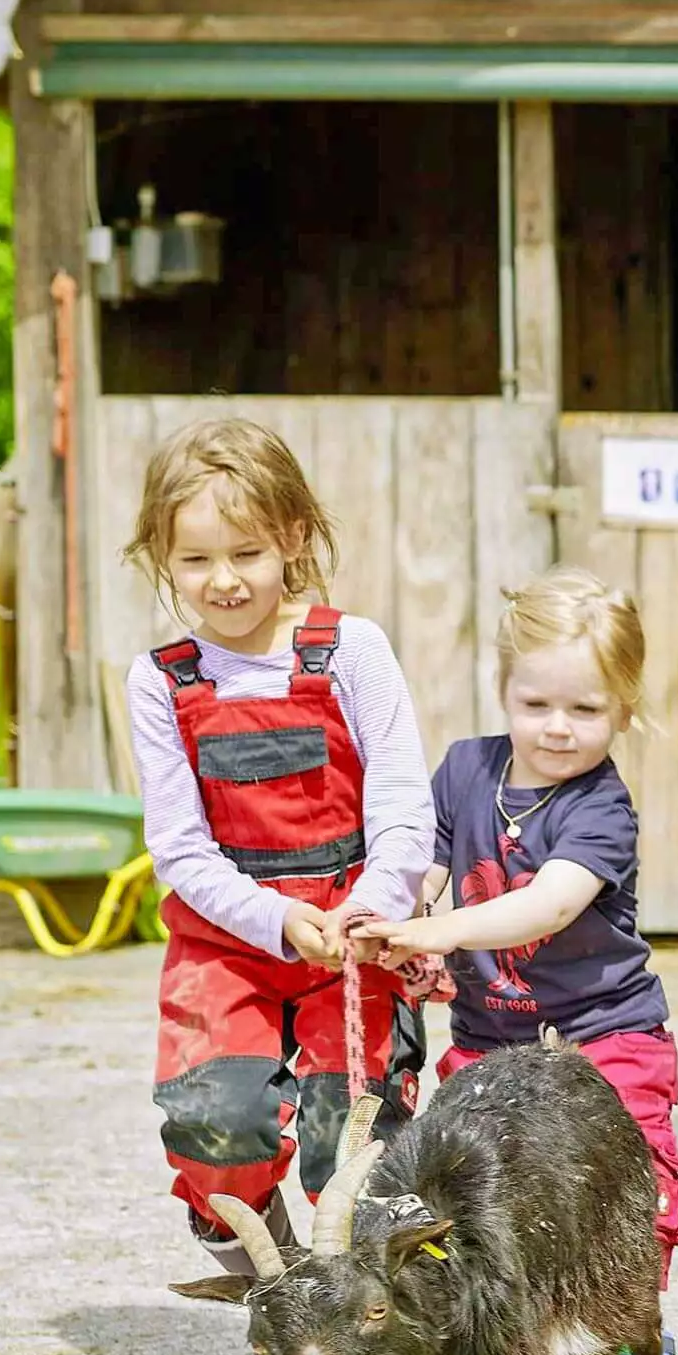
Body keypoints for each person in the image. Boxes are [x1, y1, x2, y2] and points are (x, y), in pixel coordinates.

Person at [350, 570, 678, 1355]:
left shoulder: (601, 806)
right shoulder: (467, 768)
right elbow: (425, 854)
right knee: (459, 1200)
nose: (558, 728)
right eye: (535, 702)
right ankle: (450, 1349)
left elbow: (551, 903)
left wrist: (443, 933)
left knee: (629, 1186)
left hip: (604, 1038)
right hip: (489, 1042)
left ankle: (636, 1339)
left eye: (587, 710)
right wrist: (407, 917)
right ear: (503, 689)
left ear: (623, 709)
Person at [126, 416, 431, 1293]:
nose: (223, 581)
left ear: (293, 537)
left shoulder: (350, 650)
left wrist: (375, 901)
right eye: (195, 561)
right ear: (162, 554)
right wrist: (275, 918)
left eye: (247, 553)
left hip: (354, 935)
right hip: (230, 941)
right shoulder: (164, 681)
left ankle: (355, 1317)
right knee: (215, 1125)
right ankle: (268, 1271)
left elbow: (405, 801)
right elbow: (180, 849)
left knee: (358, 1140)